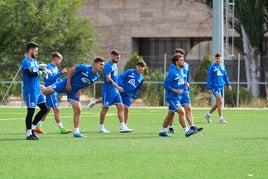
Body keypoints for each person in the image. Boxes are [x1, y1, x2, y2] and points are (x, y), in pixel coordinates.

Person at [40, 57, 105, 138]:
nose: (102, 66)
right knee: (45, 91)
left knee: (78, 110)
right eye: (101, 64)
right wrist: (68, 84)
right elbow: (71, 70)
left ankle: (76, 132)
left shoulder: (96, 76)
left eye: (103, 65)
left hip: (74, 91)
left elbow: (89, 84)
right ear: (95, 64)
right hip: (65, 84)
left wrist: (81, 91)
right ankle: (37, 85)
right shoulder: (84, 67)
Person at [87, 60, 146, 128]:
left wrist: (134, 97)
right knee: (108, 100)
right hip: (119, 91)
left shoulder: (141, 78)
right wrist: (119, 86)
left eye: (142, 67)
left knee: (126, 109)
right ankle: (94, 102)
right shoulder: (130, 71)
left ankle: (124, 126)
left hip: (127, 95)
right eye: (139, 66)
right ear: (136, 66)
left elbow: (137, 89)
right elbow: (120, 78)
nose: (140, 68)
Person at [159, 54, 198, 137]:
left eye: (183, 60)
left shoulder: (181, 71)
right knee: (181, 111)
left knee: (170, 115)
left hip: (178, 97)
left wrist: (185, 83)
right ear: (176, 62)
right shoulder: (172, 72)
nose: (183, 61)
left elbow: (178, 82)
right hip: (172, 97)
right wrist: (176, 90)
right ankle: (187, 131)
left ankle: (162, 131)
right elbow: (166, 85)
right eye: (181, 60)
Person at [166, 48, 202, 134]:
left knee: (188, 108)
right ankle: (170, 126)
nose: (177, 56)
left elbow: (187, 77)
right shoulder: (173, 66)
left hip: (184, 91)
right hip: (175, 92)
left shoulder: (186, 66)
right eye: (176, 54)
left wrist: (187, 86)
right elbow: (172, 78)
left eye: (178, 54)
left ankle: (192, 126)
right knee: (173, 112)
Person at [34, 52, 71, 134]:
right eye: (60, 59)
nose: (60, 61)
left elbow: (57, 80)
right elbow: (50, 79)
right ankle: (62, 129)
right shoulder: (48, 67)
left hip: (54, 91)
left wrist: (64, 83)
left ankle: (37, 127)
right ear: (56, 58)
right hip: (50, 91)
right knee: (57, 110)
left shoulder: (55, 68)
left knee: (46, 110)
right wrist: (61, 72)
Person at [99, 49, 133, 133]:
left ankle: (122, 126)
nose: (118, 60)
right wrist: (118, 87)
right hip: (108, 89)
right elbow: (108, 79)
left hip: (115, 90)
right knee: (105, 108)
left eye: (119, 58)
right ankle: (101, 127)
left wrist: (118, 87)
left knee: (121, 107)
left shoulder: (115, 65)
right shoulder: (108, 65)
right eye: (117, 58)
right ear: (112, 56)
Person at [22, 42, 49, 140]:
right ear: (30, 50)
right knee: (31, 111)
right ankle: (29, 134)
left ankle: (32, 128)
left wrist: (44, 70)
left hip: (37, 90)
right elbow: (30, 74)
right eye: (36, 51)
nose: (37, 53)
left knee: (45, 109)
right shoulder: (26, 61)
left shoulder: (35, 61)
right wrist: (40, 71)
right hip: (30, 91)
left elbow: (38, 71)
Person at [205, 53, 232, 124]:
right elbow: (209, 78)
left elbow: (225, 76)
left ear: (221, 58)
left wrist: (228, 84)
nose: (218, 60)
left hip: (221, 87)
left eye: (219, 58)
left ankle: (208, 114)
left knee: (218, 103)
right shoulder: (212, 67)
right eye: (217, 58)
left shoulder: (223, 66)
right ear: (215, 59)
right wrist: (209, 87)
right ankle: (221, 119)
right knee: (220, 101)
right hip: (215, 87)